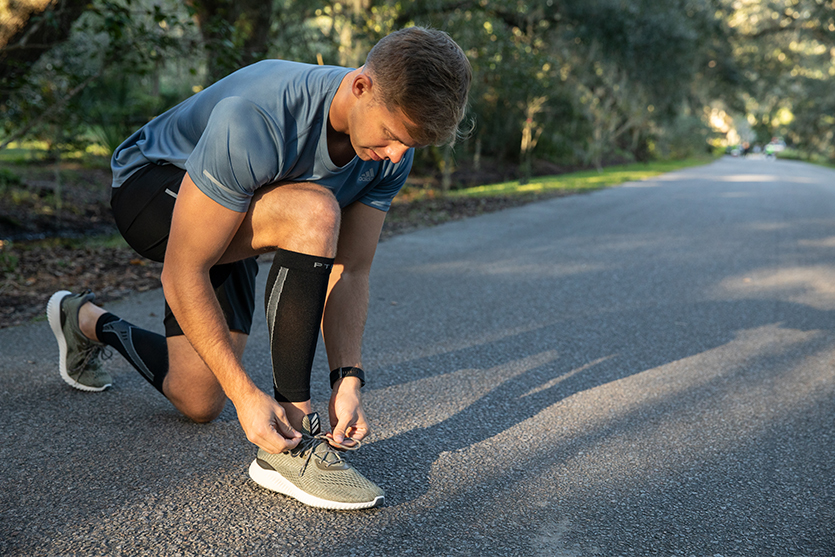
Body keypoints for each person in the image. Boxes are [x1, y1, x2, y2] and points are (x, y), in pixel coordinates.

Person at [46, 27, 472, 511]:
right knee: (315, 211)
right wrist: (247, 396)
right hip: (154, 190)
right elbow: (183, 271)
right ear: (361, 86)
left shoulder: (390, 155)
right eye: (394, 136)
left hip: (245, 206)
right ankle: (290, 441)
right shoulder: (260, 115)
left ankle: (85, 321)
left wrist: (346, 380)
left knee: (200, 398)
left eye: (410, 144)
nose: (397, 155)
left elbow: (350, 270)